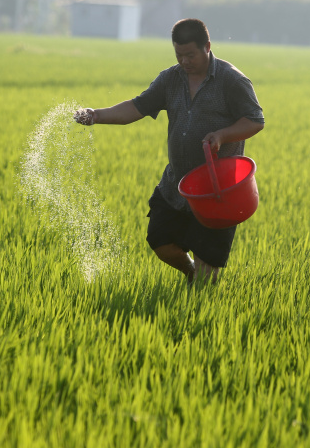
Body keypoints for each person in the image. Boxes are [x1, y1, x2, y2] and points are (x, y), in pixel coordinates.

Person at [74, 18, 264, 286]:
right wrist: (95, 115)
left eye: (190, 55)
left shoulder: (232, 81)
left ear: (207, 46)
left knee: (207, 263)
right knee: (159, 240)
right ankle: (190, 274)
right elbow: (136, 107)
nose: (184, 61)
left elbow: (255, 120)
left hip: (215, 187)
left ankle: (200, 301)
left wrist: (222, 135)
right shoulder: (170, 79)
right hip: (176, 183)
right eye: (179, 55)